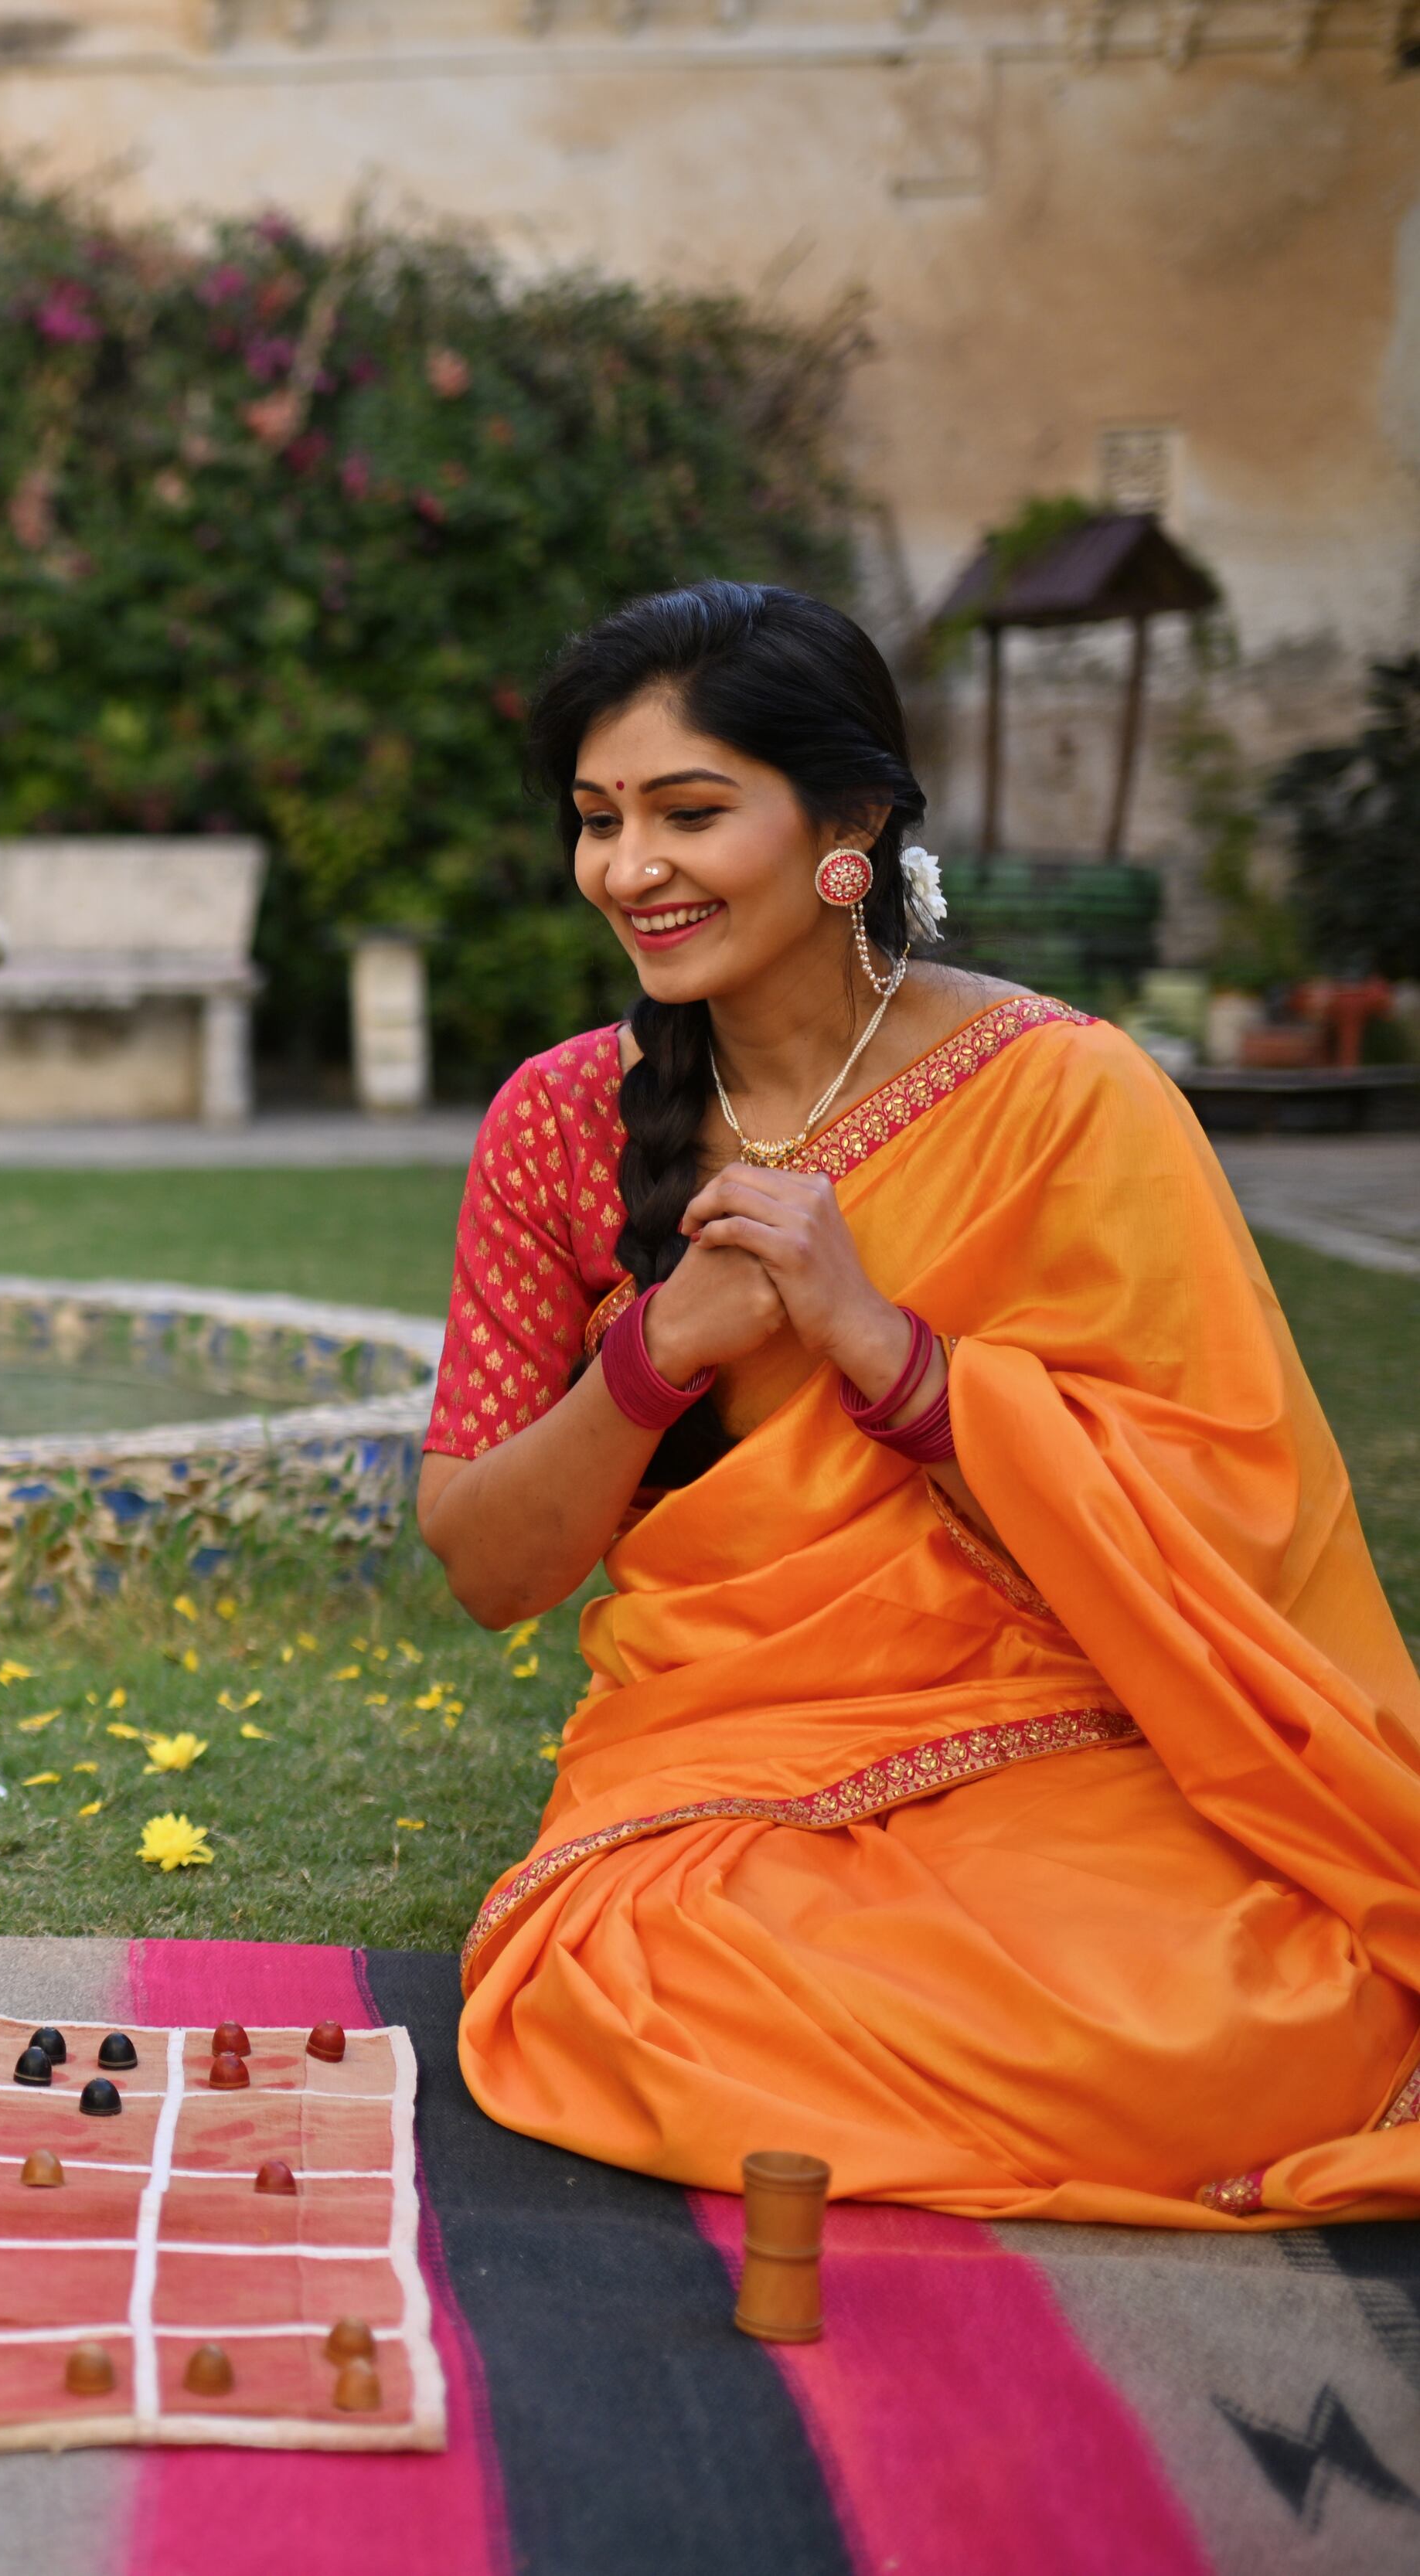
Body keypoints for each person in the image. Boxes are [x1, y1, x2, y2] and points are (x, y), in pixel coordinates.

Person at [421, 579, 1420, 2227]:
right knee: (631, 1985)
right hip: (726, 1763)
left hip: (1081, 1735)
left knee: (1245, 1995)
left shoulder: (1065, 1094)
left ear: (851, 825)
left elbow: (1223, 1509)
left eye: (688, 810)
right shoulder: (554, 1122)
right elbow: (484, 1562)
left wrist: (889, 1357)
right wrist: (657, 1348)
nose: (628, 868)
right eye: (598, 820)